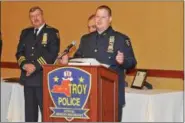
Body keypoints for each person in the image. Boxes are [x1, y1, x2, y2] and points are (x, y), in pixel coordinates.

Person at [60, 5, 137, 122]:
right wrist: (68, 61)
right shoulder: (86, 39)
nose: (99, 20)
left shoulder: (121, 39)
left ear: (110, 19)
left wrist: (123, 61)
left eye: (103, 17)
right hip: (87, 95)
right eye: (97, 16)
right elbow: (78, 60)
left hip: (111, 95)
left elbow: (132, 62)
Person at [15, 6, 60, 122]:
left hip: (42, 79)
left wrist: (34, 66)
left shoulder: (52, 32)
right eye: (32, 16)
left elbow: (52, 54)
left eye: (37, 15)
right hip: (28, 79)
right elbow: (19, 53)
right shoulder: (25, 33)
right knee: (30, 116)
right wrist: (25, 65)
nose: (35, 18)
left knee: (46, 115)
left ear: (42, 15)